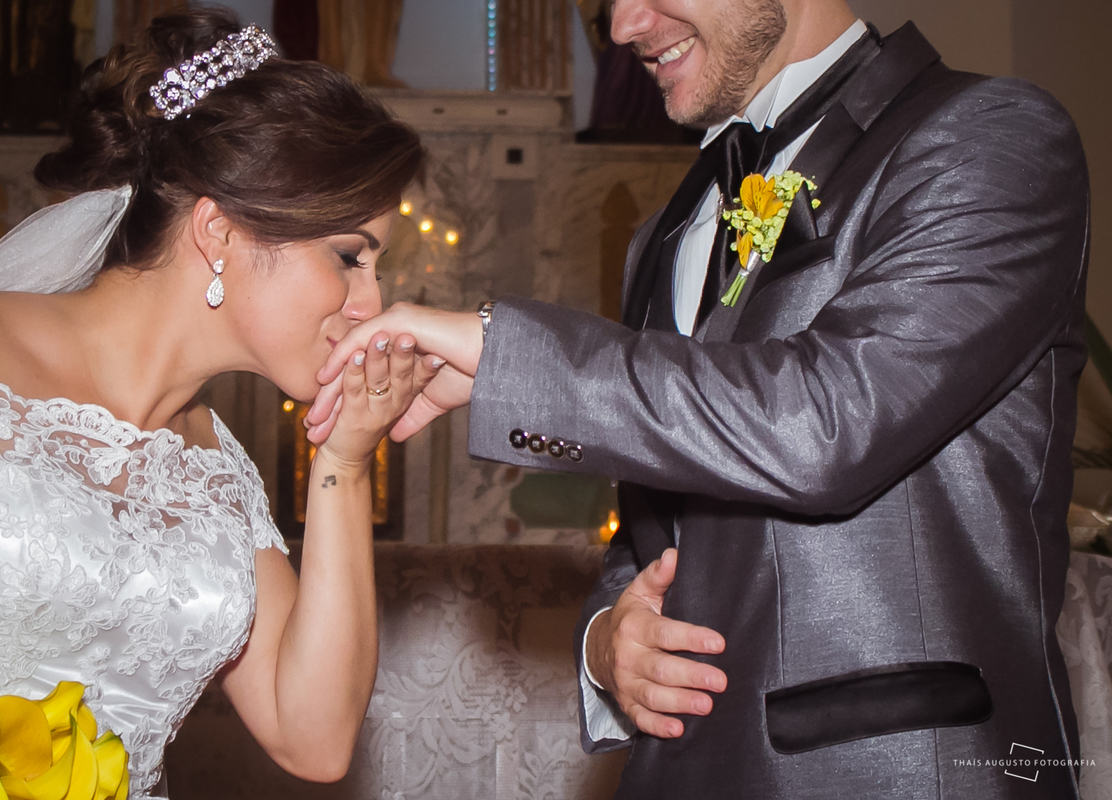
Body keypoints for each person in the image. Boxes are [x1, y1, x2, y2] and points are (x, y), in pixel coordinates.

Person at [310, 0, 1090, 796]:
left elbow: (829, 427)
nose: (620, 28)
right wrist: (609, 641)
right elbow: (658, 522)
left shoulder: (990, 136)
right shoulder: (667, 229)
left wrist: (505, 347)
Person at [0, 10, 436, 798]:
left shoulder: (220, 478)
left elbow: (316, 738)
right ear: (219, 232)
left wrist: (347, 460)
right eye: (349, 258)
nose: (372, 303)